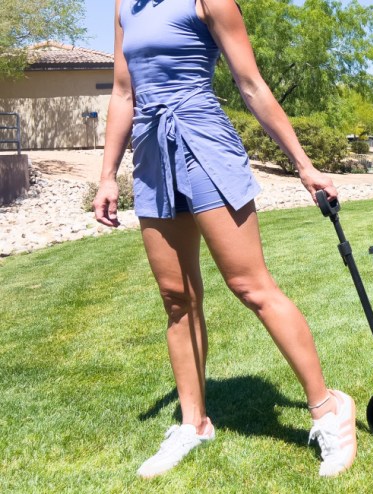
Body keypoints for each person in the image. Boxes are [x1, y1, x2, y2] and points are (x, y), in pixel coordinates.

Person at [92, 0, 356, 479]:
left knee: (250, 285)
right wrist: (108, 175)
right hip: (152, 151)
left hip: (203, 141)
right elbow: (123, 92)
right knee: (176, 298)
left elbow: (250, 84)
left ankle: (328, 410)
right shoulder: (123, 5)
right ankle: (193, 424)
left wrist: (304, 164)